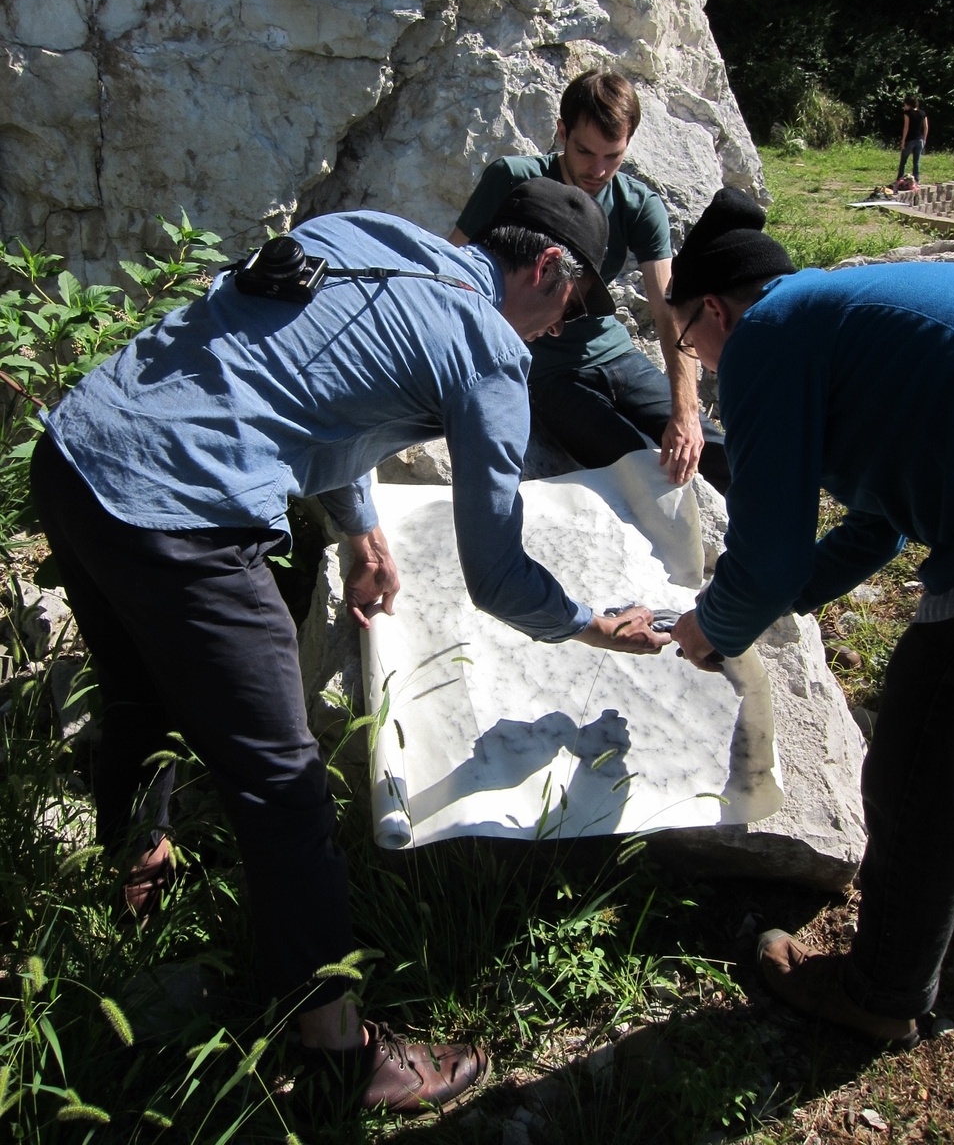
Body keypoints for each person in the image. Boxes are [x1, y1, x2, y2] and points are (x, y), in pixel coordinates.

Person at [31, 177, 672, 1117]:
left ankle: (132, 876)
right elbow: (495, 576)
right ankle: (338, 1058)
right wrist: (590, 624)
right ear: (544, 268)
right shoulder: (490, 350)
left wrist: (361, 531)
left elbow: (317, 388)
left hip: (79, 453)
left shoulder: (367, 235)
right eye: (567, 311)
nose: (555, 333)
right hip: (185, 519)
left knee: (135, 689)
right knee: (286, 785)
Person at [669, 186, 954, 1052]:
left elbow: (766, 560)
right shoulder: (845, 314)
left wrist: (711, 624)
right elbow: (879, 521)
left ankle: (880, 991)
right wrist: (779, 600)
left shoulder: (769, 338)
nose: (704, 363)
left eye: (690, 343)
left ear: (714, 312)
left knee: (919, 758)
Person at [450, 69, 730, 494]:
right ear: (562, 132)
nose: (598, 170)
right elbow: (452, 266)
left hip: (615, 353)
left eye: (613, 156)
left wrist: (686, 411)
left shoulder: (638, 205)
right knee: (640, 465)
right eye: (585, 151)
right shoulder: (513, 180)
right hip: (544, 370)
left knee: (718, 453)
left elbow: (669, 308)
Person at [897, 94, 929, 183]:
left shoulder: (907, 113)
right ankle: (916, 180)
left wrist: (903, 140)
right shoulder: (922, 113)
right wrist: (924, 139)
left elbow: (906, 127)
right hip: (920, 139)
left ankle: (899, 179)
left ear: (908, 104)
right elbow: (926, 127)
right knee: (916, 162)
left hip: (910, 139)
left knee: (903, 161)